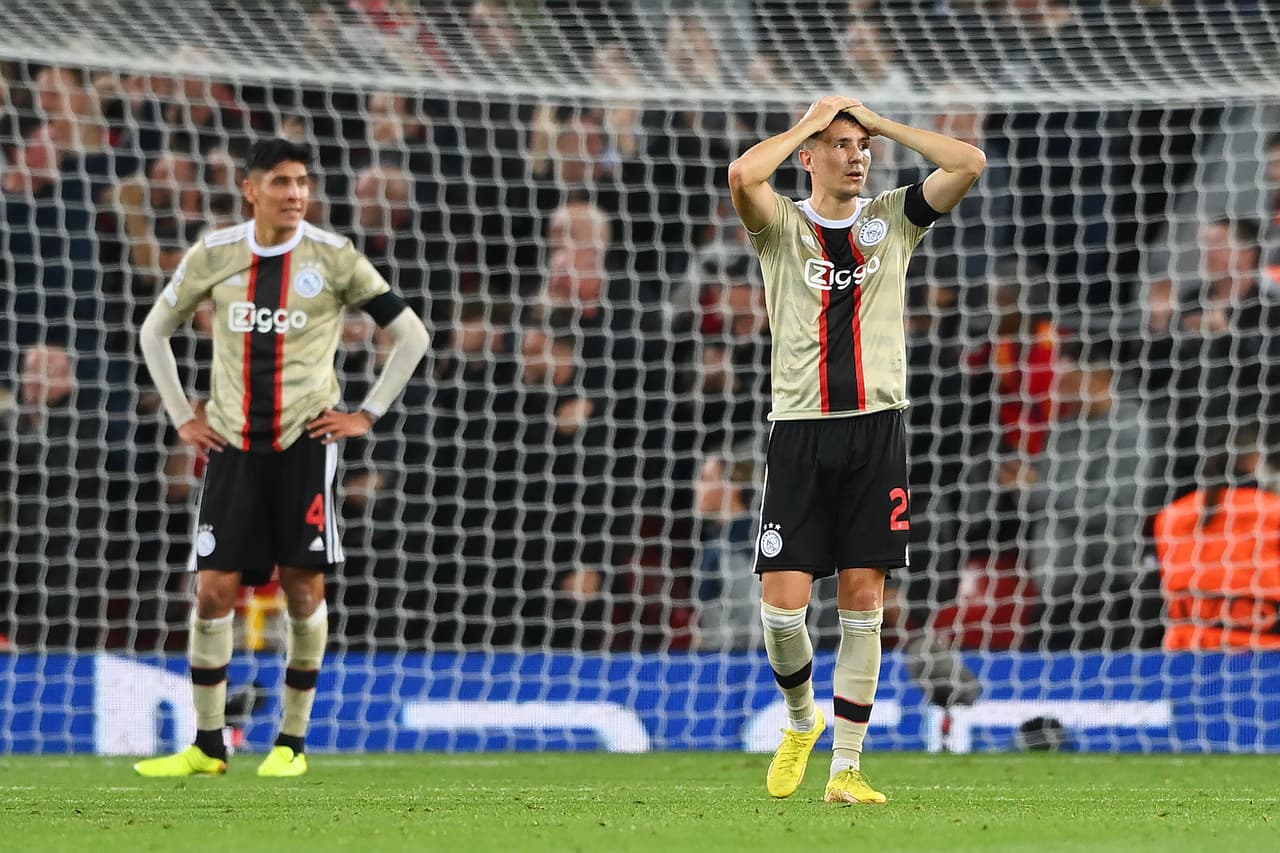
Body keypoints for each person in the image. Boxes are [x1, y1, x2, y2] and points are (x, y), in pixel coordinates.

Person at [133, 138, 430, 777]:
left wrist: (366, 415)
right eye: (282, 183)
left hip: (303, 447)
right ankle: (208, 746)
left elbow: (411, 335)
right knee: (213, 593)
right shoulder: (214, 254)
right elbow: (153, 330)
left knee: (302, 589)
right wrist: (182, 413)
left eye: (302, 183)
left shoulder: (335, 257)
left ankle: (291, 744)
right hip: (233, 448)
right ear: (251, 189)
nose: (296, 194)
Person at [728, 95, 985, 804]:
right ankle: (800, 721)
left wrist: (880, 120)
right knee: (782, 610)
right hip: (801, 429)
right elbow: (743, 175)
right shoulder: (781, 225)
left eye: (861, 145)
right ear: (810, 155)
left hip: (877, 427)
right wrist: (810, 123)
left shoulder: (891, 219)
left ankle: (846, 767)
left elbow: (969, 161)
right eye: (839, 145)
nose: (855, 155)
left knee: (863, 600)